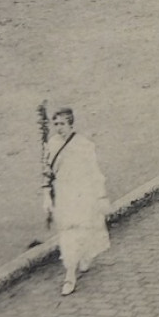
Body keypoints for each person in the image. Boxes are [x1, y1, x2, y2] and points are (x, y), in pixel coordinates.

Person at [44, 107, 110, 297]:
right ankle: (70, 273)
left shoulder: (84, 145)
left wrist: (101, 196)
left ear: (71, 125)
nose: (59, 128)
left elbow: (94, 172)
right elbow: (47, 174)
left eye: (62, 124)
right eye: (55, 124)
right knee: (68, 233)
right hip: (63, 195)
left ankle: (72, 272)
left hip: (82, 193)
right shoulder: (51, 145)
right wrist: (47, 196)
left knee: (82, 229)